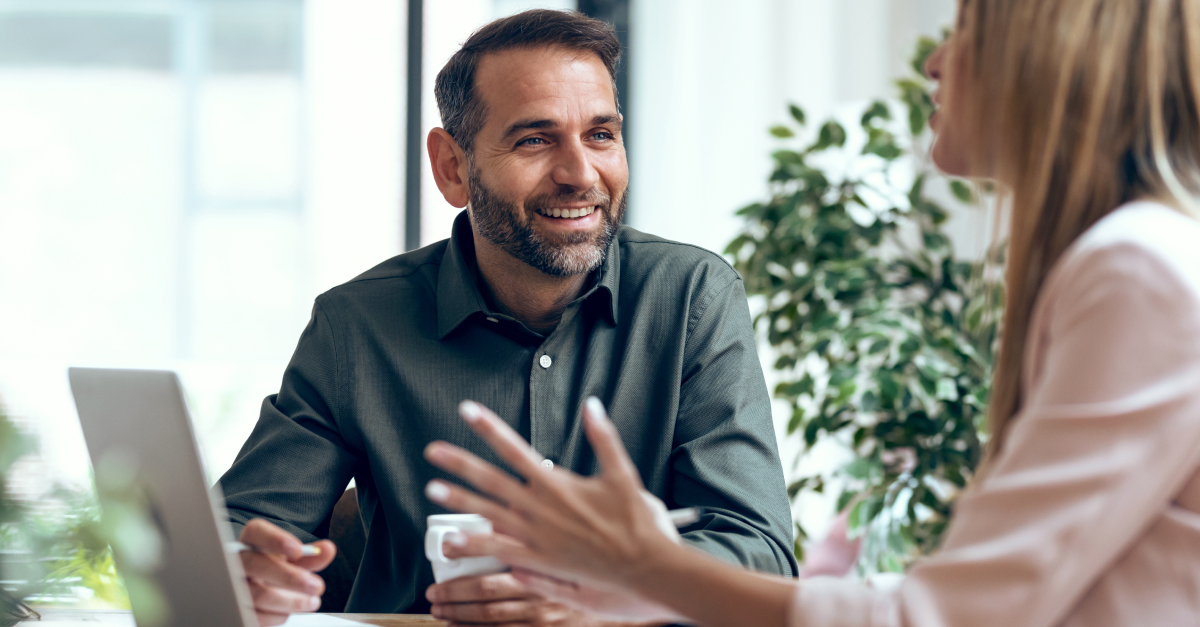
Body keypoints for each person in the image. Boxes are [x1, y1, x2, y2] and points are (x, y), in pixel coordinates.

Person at [421, 0, 1200, 625]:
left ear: (1052, 59)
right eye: (533, 139)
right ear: (452, 167)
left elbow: (942, 615)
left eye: (963, 30)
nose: (932, 60)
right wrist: (645, 587)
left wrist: (648, 568)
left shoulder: (1139, 270)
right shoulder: (1129, 261)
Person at [216, 9, 798, 627]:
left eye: (600, 135)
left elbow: (757, 550)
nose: (580, 175)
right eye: (534, 140)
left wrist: (604, 594)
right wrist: (250, 570)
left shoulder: (692, 299)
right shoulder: (356, 324)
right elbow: (239, 529)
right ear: (452, 167)